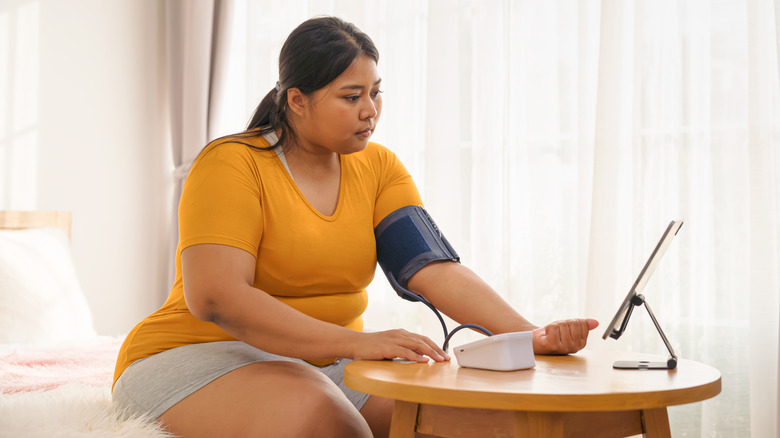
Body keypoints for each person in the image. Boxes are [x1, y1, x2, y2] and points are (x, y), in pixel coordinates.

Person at [112, 16, 599, 438]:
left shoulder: (378, 167)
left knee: (458, 418)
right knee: (327, 421)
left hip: (319, 363)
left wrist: (528, 336)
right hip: (194, 356)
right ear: (298, 101)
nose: (370, 110)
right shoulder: (231, 164)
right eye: (351, 96)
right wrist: (359, 344)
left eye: (375, 92)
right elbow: (217, 297)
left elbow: (433, 269)